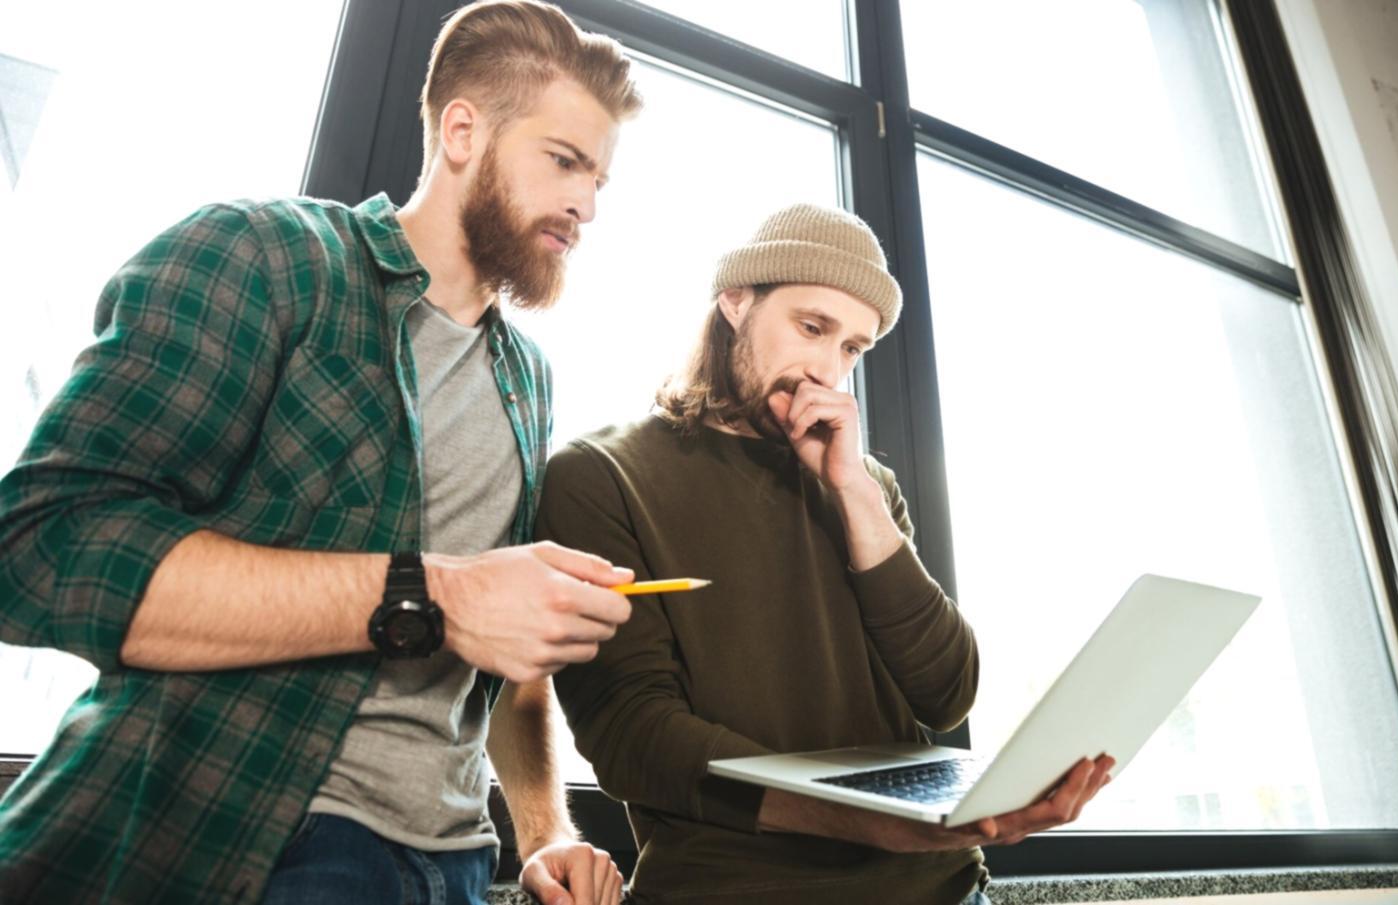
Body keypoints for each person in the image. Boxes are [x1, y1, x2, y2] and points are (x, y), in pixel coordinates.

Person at [0, 3, 642, 903]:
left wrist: (541, 834)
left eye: (601, 180)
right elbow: (41, 548)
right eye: (565, 161)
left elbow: (506, 664)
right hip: (252, 837)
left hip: (458, 863)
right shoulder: (267, 256)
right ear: (463, 131)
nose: (586, 204)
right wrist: (438, 593)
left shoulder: (527, 380)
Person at [537, 203, 1115, 905]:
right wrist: (866, 821)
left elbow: (948, 691)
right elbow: (631, 733)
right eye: (812, 328)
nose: (826, 368)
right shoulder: (600, 474)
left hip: (945, 888)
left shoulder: (866, 486)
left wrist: (857, 494)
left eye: (852, 349)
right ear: (736, 300)